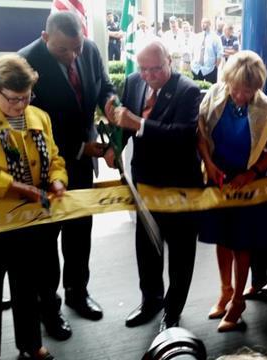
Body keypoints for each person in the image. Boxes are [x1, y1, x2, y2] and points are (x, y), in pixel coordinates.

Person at [0, 54, 67, 360]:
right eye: (13, 99)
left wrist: (57, 180)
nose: (20, 106)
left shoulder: (40, 116)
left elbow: (55, 158)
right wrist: (19, 187)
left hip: (29, 223)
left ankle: (31, 346)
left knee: (27, 289)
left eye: (26, 97)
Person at [19, 11, 116, 339]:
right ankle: (50, 308)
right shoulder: (26, 63)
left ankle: (78, 292)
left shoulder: (86, 48)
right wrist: (77, 148)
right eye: (64, 50)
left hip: (83, 161)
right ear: (46, 38)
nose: (74, 55)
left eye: (77, 47)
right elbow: (29, 126)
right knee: (46, 243)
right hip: (46, 169)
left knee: (80, 232)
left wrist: (112, 104)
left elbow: (105, 86)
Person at [107, 41, 203, 333]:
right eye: (144, 69)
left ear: (169, 62)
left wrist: (140, 124)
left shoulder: (187, 90)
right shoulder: (134, 81)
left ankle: (173, 313)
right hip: (144, 181)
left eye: (156, 69)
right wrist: (115, 145)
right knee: (147, 248)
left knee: (181, 254)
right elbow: (125, 123)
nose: (149, 75)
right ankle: (151, 301)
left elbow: (185, 135)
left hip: (180, 185)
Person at [197, 50, 267, 332]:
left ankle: (237, 301)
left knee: (241, 244)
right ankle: (224, 290)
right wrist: (209, 164)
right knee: (222, 239)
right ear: (227, 80)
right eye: (236, 88)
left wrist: (252, 173)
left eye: (248, 90)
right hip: (218, 179)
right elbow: (201, 135)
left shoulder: (266, 109)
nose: (240, 95)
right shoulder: (214, 95)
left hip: (248, 184)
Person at [191, 18, 223, 84]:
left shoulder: (215, 37)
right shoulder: (197, 36)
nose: (203, 24)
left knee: (210, 89)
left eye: (205, 23)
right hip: (196, 68)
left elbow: (219, 53)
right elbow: (193, 50)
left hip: (210, 68)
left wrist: (215, 66)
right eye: (202, 23)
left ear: (210, 24)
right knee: (195, 89)